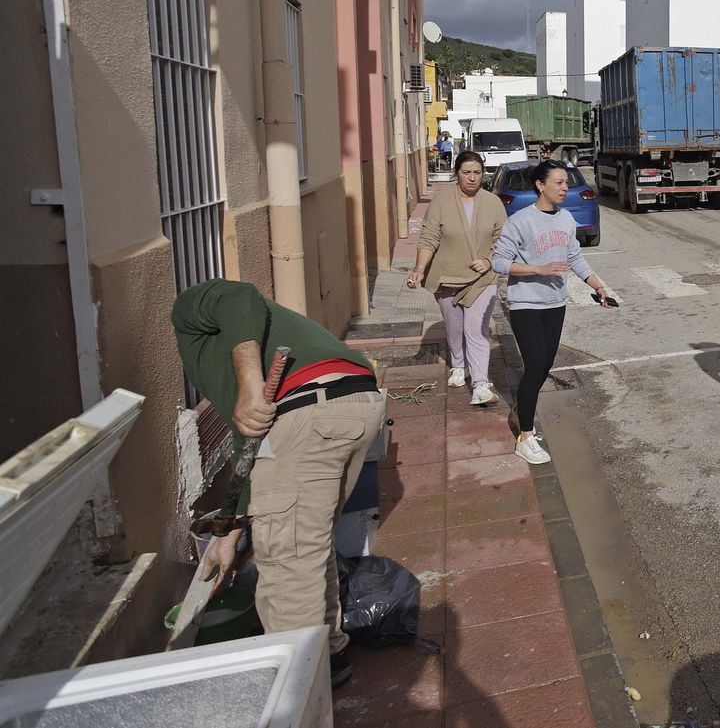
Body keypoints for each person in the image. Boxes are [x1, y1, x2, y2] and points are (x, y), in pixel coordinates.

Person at [171, 279, 384, 689]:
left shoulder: (187, 310)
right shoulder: (263, 335)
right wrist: (231, 532)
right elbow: (251, 450)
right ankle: (330, 654)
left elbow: (236, 294)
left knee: (289, 564)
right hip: (356, 403)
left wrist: (251, 386)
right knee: (309, 545)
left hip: (309, 408)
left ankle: (297, 693)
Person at [492, 160, 615, 464]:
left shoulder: (566, 221)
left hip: (555, 303)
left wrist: (598, 286)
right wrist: (538, 268)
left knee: (545, 367)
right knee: (534, 367)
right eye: (559, 182)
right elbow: (499, 262)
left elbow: (575, 256)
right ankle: (526, 437)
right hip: (526, 304)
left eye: (566, 182)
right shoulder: (520, 221)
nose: (565, 188)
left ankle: (523, 407)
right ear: (540, 185)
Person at [408, 151, 507, 405]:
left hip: (482, 278)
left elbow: (502, 240)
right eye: (466, 172)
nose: (472, 178)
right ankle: (459, 365)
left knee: (476, 329)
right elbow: (429, 237)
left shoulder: (493, 203)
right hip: (446, 276)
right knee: (455, 328)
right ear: (456, 174)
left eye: (477, 172)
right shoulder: (441, 202)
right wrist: (419, 269)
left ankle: (481, 385)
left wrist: (487, 261)